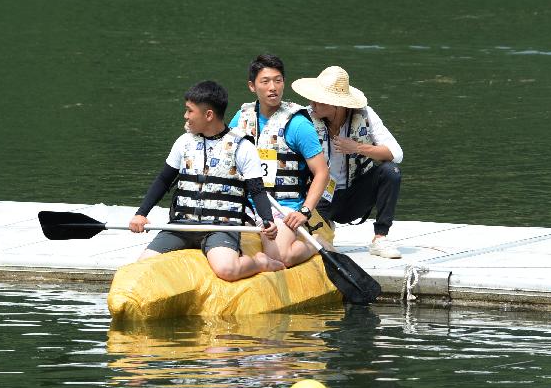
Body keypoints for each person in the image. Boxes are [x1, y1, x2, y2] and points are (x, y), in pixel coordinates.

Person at [128, 80, 285, 281]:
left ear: (208, 115)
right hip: (182, 225)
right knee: (142, 267)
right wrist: (141, 214)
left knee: (227, 270)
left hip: (221, 227)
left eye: (189, 111)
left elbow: (257, 190)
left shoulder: (242, 147)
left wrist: (267, 220)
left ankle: (259, 262)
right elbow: (163, 180)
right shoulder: (184, 142)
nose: (185, 116)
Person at [291, 65, 403, 259]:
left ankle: (380, 238)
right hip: (320, 195)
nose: (312, 103)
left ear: (337, 104)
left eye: (320, 100)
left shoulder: (365, 114)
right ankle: (324, 225)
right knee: (320, 241)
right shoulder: (304, 119)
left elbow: (396, 153)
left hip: (355, 195)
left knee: (390, 171)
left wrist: (357, 147)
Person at [230, 54, 330, 267]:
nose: (272, 87)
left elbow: (322, 172)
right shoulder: (240, 119)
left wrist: (305, 211)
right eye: (265, 82)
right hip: (246, 203)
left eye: (278, 80)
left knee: (280, 256)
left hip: (284, 206)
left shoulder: (298, 125)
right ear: (252, 86)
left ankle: (315, 243)